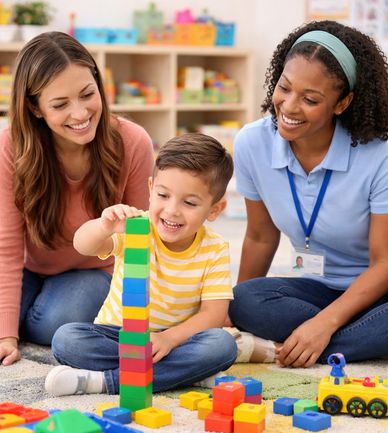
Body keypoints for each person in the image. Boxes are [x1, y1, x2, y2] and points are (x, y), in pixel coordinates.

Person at [228, 20, 388, 368]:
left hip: (377, 291)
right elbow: (259, 236)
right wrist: (234, 316)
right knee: (243, 300)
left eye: (310, 99)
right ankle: (352, 342)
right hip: (315, 289)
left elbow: (384, 263)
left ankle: (312, 341)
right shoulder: (252, 143)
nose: (288, 106)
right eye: (284, 87)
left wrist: (324, 323)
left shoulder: (379, 154)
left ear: (342, 103)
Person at [0, 32, 154, 366]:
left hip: (94, 271)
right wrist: (6, 335)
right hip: (32, 267)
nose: (80, 112)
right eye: (60, 104)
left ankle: (33, 312)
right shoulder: (11, 145)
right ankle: (27, 311)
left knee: (58, 323)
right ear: (34, 107)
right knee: (12, 321)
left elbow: (143, 238)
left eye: (87, 94)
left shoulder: (132, 141)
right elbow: (8, 246)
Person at [44, 133, 237, 396]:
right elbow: (83, 245)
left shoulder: (215, 249)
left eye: (189, 202)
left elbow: (213, 314)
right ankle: (184, 373)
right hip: (117, 335)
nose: (172, 210)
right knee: (67, 340)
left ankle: (104, 382)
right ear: (150, 189)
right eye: (163, 195)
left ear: (215, 210)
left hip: (177, 340)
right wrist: (103, 226)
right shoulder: (137, 228)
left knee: (221, 345)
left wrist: (169, 339)